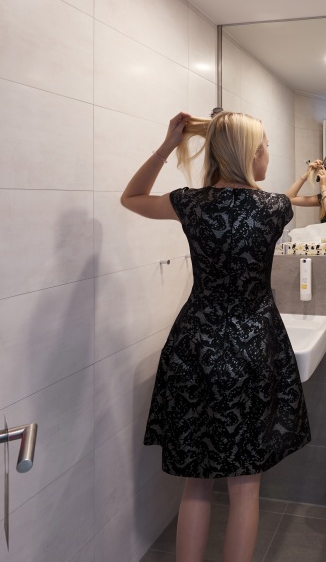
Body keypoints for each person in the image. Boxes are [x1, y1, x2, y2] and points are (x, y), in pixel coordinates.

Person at [121, 111, 310, 562]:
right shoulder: (275, 208)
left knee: (197, 483)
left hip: (196, 346)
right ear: (249, 153)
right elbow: (276, 202)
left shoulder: (189, 203)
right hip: (253, 346)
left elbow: (131, 197)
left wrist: (169, 144)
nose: (268, 153)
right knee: (245, 489)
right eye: (265, 146)